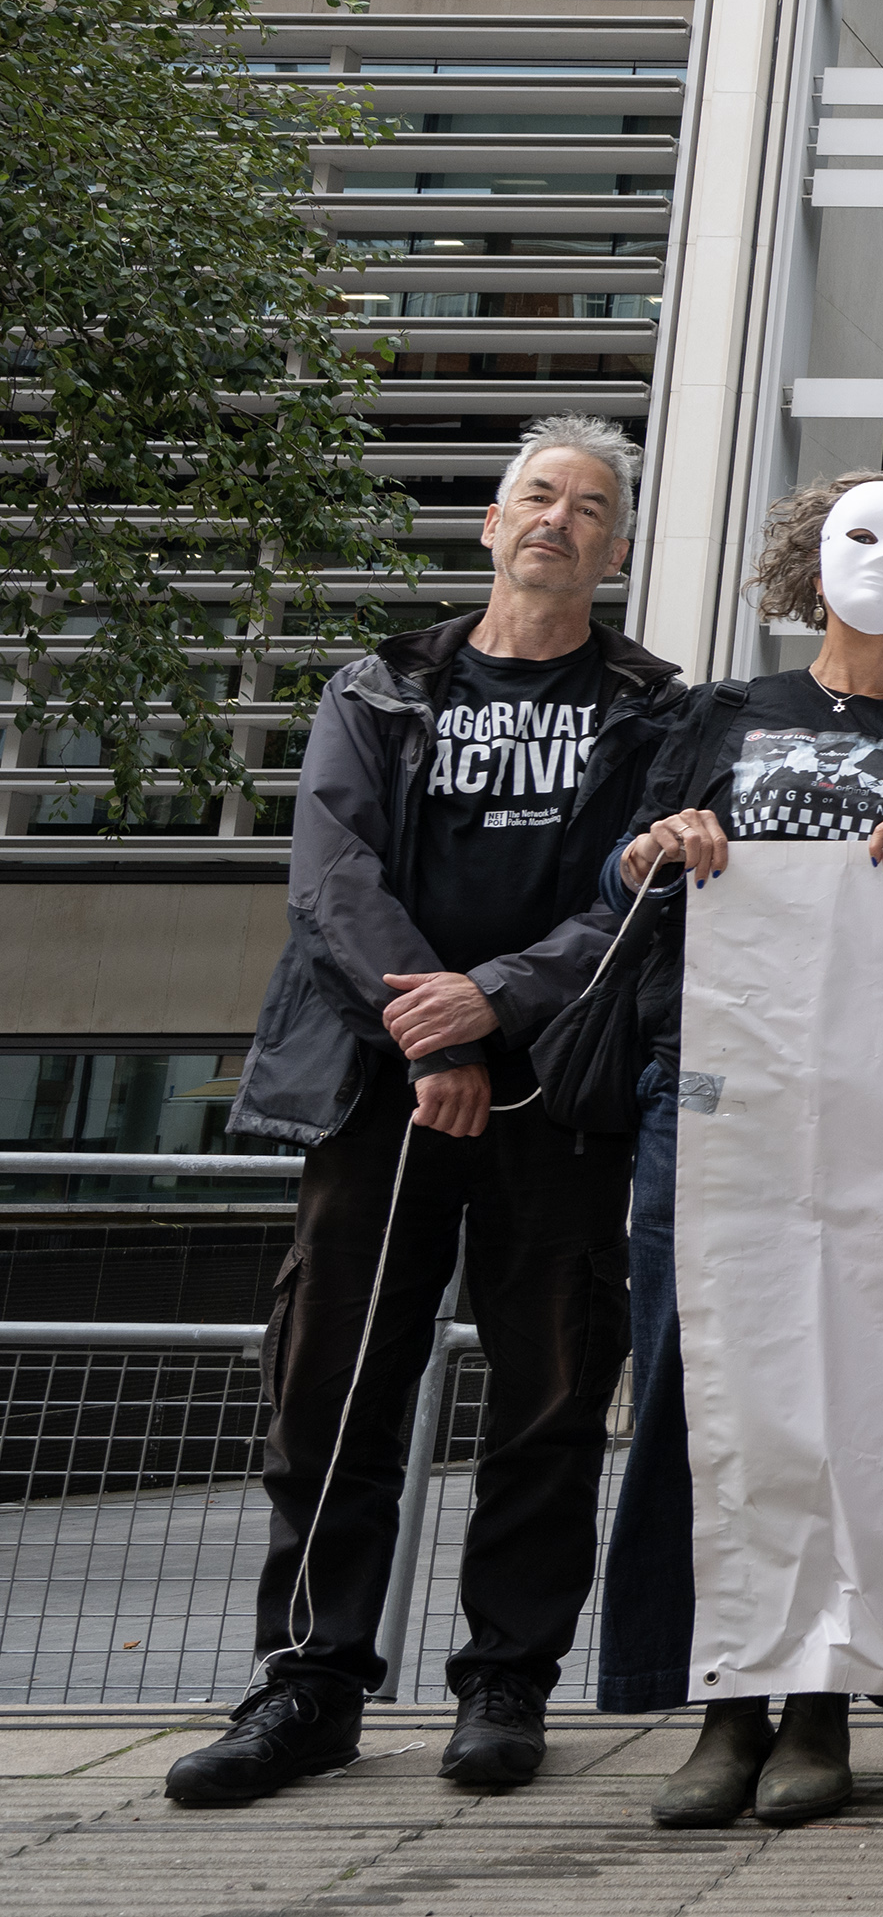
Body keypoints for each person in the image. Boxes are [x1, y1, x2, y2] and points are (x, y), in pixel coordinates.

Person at [167, 419, 688, 1809]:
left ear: (618, 548)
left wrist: (494, 1005)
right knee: (332, 1389)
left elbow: (636, 901)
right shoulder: (380, 682)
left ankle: (506, 1683)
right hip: (379, 1089)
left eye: (589, 508)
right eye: (537, 496)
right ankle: (308, 1684)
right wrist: (428, 1029)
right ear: (490, 524)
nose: (558, 521)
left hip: (555, 1097)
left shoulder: (653, 707)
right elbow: (330, 876)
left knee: (553, 1397)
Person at [599, 473, 883, 1829]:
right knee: (708, 1386)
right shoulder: (715, 715)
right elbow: (621, 871)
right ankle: (724, 1703)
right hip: (720, 1096)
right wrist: (667, 841)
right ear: (807, 559)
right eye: (860, 538)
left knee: (857, 1391)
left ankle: (823, 1701)